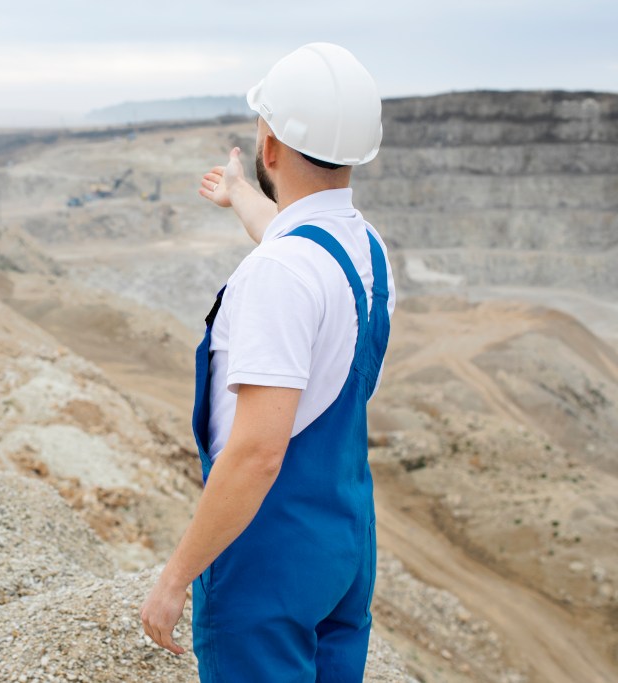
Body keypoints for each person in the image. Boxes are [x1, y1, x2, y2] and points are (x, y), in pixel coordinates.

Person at [140, 42, 396, 682]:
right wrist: (238, 194)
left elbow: (257, 453)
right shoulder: (364, 245)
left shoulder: (279, 274)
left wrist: (177, 578)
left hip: (267, 559)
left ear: (273, 147)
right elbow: (292, 235)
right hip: (343, 541)